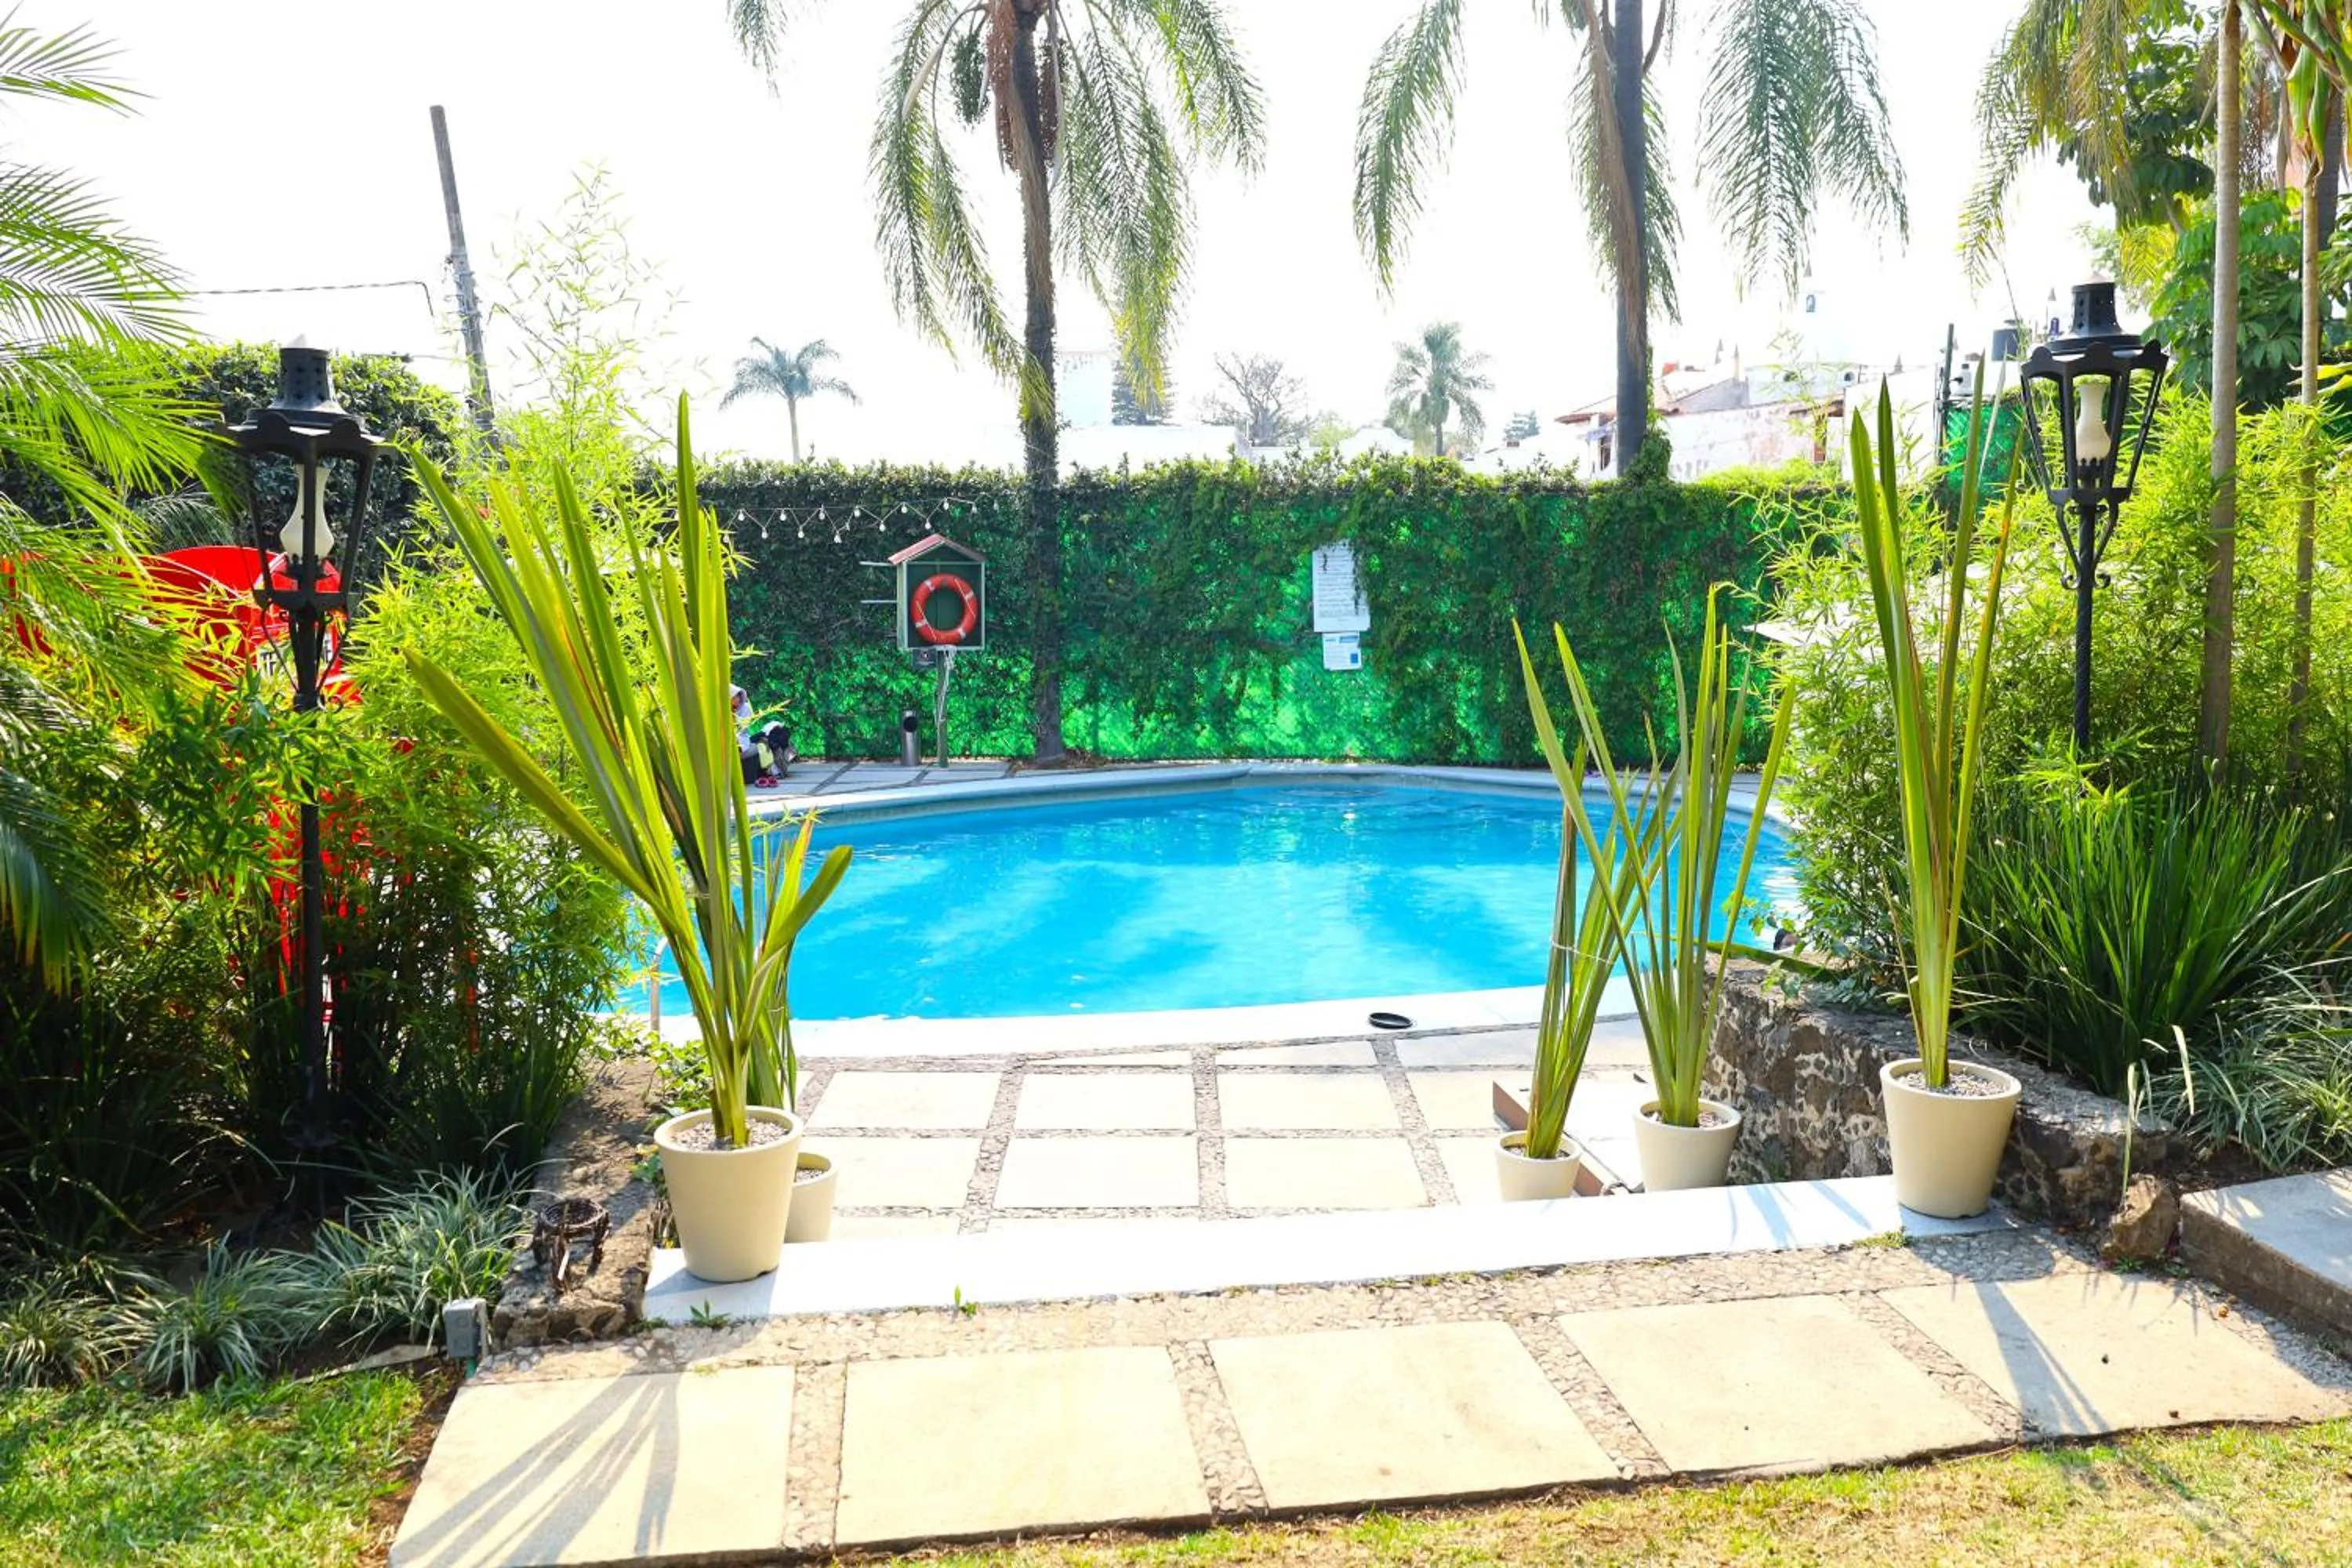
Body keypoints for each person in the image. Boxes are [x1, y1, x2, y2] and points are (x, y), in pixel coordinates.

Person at [731, 684, 794, 786]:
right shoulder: (722, 708)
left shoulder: (745, 708)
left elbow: (743, 729)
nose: (737, 699)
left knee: (742, 746)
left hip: (740, 737)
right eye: (734, 697)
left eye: (738, 696)